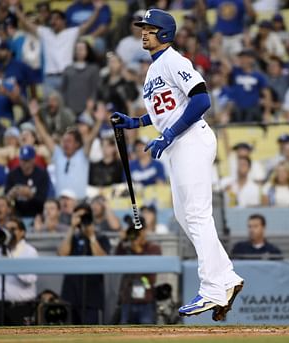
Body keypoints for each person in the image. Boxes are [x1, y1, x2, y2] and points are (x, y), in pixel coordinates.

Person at [111, 9, 243, 321]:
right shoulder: (154, 69)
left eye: (151, 28)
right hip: (180, 144)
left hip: (190, 141)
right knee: (185, 217)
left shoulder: (173, 60)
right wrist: (136, 122)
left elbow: (201, 100)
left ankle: (212, 289)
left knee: (196, 214)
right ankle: (226, 277)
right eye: (143, 27)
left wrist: (167, 135)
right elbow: (167, 109)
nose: (144, 32)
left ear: (166, 33)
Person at [30, 99, 105, 200]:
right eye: (64, 141)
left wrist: (99, 121)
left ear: (77, 144)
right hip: (60, 204)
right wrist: (35, 116)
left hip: (79, 203)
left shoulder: (82, 155)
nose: (65, 144)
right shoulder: (58, 155)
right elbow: (45, 136)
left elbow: (90, 139)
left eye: (69, 141)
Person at [57, 203, 110, 324]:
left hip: (92, 297)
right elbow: (62, 254)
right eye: (78, 216)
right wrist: (71, 228)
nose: (81, 219)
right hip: (70, 295)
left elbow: (102, 260)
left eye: (84, 216)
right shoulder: (71, 238)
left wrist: (91, 237)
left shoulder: (101, 237)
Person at [0, 217, 38, 325]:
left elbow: (30, 279)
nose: (9, 232)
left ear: (22, 232)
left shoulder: (29, 251)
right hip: (1, 307)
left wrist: (10, 259)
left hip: (22, 307)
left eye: (13, 229)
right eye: (6, 229)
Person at [116, 217, 162, 324]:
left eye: (138, 231)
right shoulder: (126, 248)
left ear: (144, 231)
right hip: (127, 299)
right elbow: (116, 262)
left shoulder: (153, 248)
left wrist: (137, 248)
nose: (135, 234)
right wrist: (122, 241)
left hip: (146, 300)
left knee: (147, 335)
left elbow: (151, 266)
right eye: (133, 231)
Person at [4, 145, 50, 217]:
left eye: (27, 160)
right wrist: (12, 193)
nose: (24, 163)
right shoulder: (13, 174)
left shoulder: (42, 174)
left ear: (33, 160)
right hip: (18, 213)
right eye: (22, 160)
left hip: (37, 213)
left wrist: (30, 195)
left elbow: (44, 200)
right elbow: (6, 197)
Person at [61, 40, 99, 115]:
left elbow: (95, 88)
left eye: (81, 49)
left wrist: (92, 100)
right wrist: (64, 105)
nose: (79, 51)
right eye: (77, 49)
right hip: (70, 108)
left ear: (87, 51)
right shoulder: (68, 69)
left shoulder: (93, 69)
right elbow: (63, 89)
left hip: (87, 108)